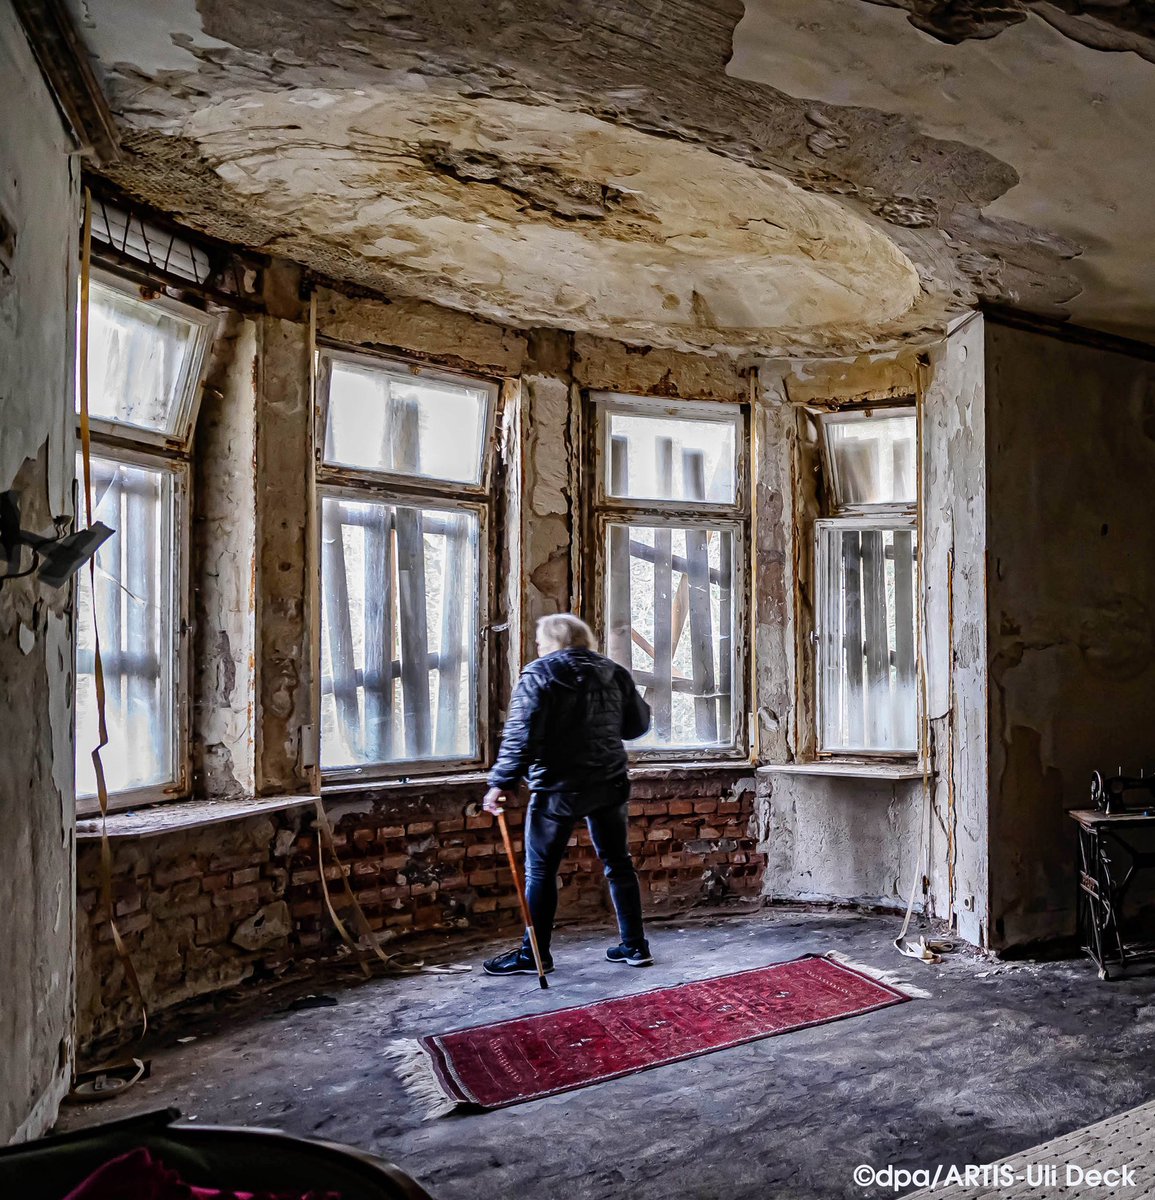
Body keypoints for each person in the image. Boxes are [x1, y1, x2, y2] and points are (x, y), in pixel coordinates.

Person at [481, 613, 653, 976]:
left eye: (542, 641)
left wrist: (500, 782)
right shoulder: (613, 672)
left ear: (554, 642)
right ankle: (635, 946)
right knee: (618, 863)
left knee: (541, 871)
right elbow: (637, 725)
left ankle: (535, 955)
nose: (539, 648)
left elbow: (520, 736)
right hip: (609, 780)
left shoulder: (539, 673)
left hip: (557, 787)